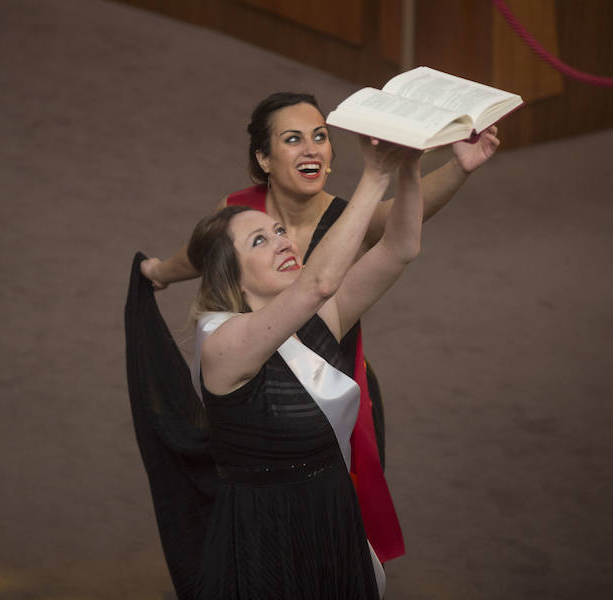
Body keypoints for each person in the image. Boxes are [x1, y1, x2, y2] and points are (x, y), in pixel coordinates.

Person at [139, 92, 499, 562]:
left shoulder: (338, 248)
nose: (311, 149)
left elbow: (400, 242)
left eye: (320, 137)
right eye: (293, 139)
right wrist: (161, 272)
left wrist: (430, 165)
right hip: (257, 451)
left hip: (327, 407)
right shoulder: (235, 252)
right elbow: (221, 257)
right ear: (264, 158)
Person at [184, 135, 421, 598]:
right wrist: (374, 175)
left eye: (278, 231)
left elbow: (400, 249)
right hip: (265, 532)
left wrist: (410, 166)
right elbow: (318, 285)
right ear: (230, 275)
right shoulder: (223, 344)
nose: (282, 241)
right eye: (259, 240)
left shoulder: (316, 323)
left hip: (332, 513)